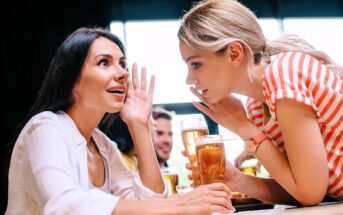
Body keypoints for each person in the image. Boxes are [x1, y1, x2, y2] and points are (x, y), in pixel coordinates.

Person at [5, 27, 234, 214]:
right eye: (104, 63)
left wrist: (139, 126)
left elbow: (147, 200)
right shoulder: (46, 128)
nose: (123, 73)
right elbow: (65, 206)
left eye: (122, 63)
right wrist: (180, 203)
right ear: (72, 80)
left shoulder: (101, 144)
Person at [178, 0, 343, 206]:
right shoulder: (257, 106)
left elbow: (310, 193)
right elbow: (303, 189)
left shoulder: (283, 73)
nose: (189, 79)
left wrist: (244, 127)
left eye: (196, 64)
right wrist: (237, 180)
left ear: (234, 54)